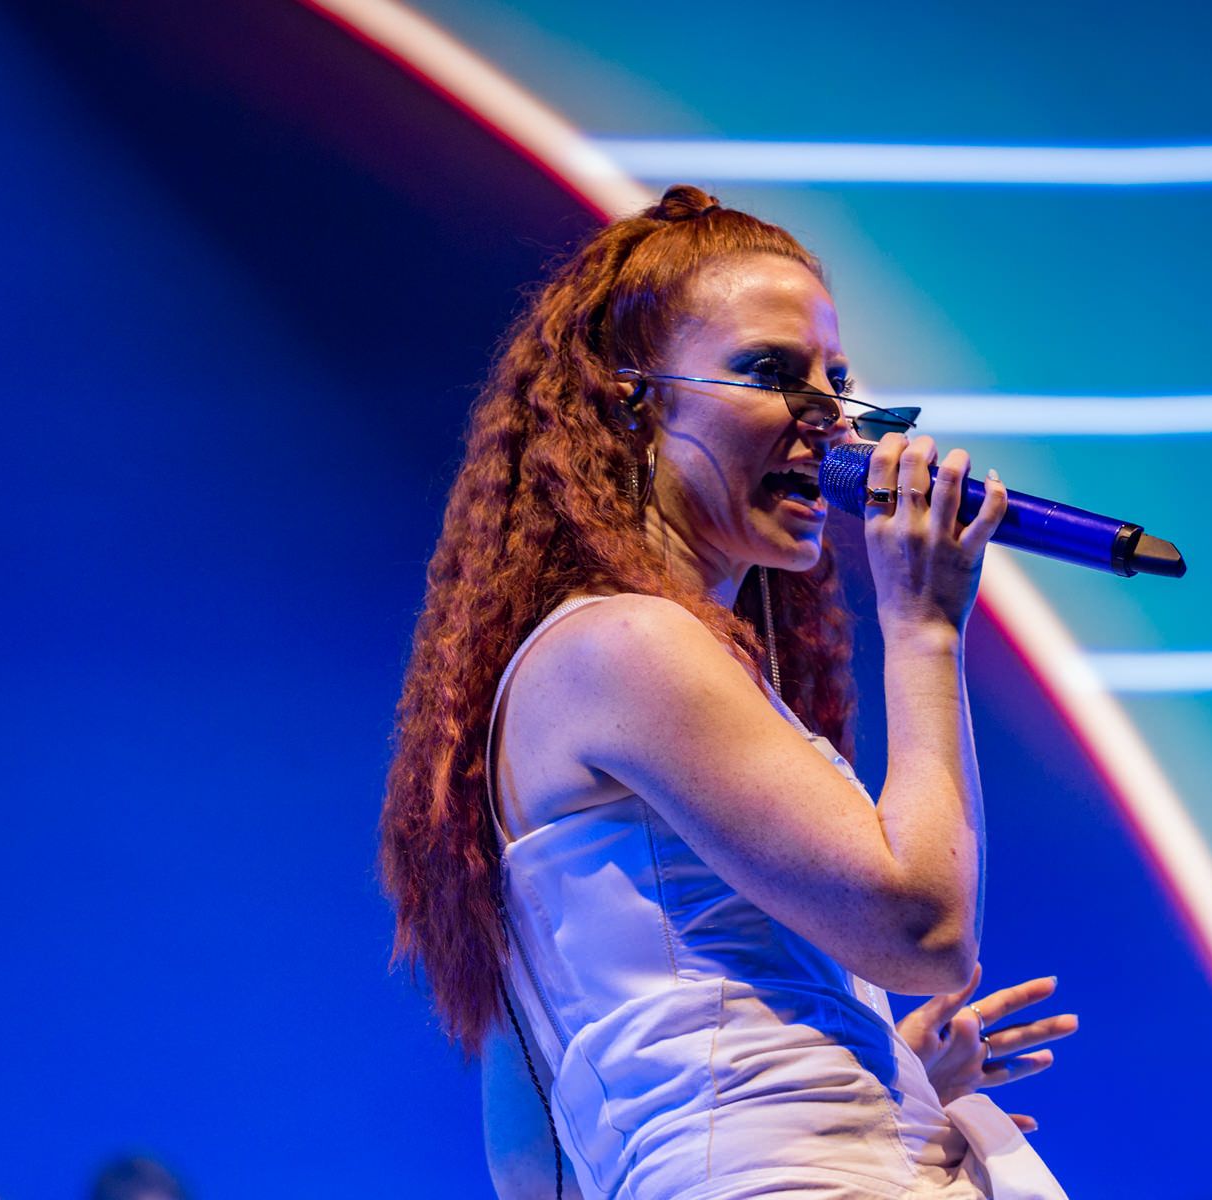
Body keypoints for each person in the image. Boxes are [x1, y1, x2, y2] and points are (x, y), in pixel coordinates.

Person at [380, 184, 1077, 1199]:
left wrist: (888, 1076)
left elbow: (532, 1161)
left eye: (837, 383)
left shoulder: (601, 663)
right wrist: (924, 627)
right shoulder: (627, 646)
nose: (828, 423)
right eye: (770, 373)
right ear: (635, 400)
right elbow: (926, 932)